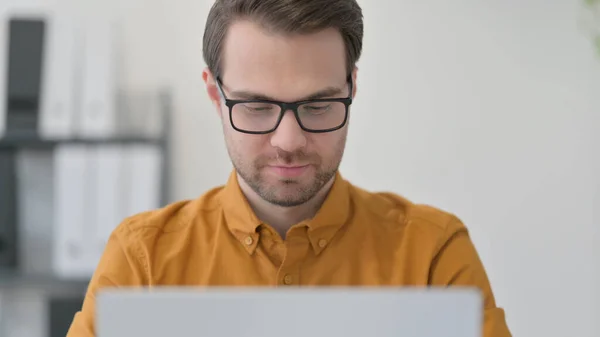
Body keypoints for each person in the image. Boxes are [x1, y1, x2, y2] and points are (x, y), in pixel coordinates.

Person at [67, 0, 512, 336]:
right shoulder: (141, 260)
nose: (289, 141)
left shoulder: (432, 254)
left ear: (352, 86)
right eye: (257, 106)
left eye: (318, 105)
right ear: (215, 95)